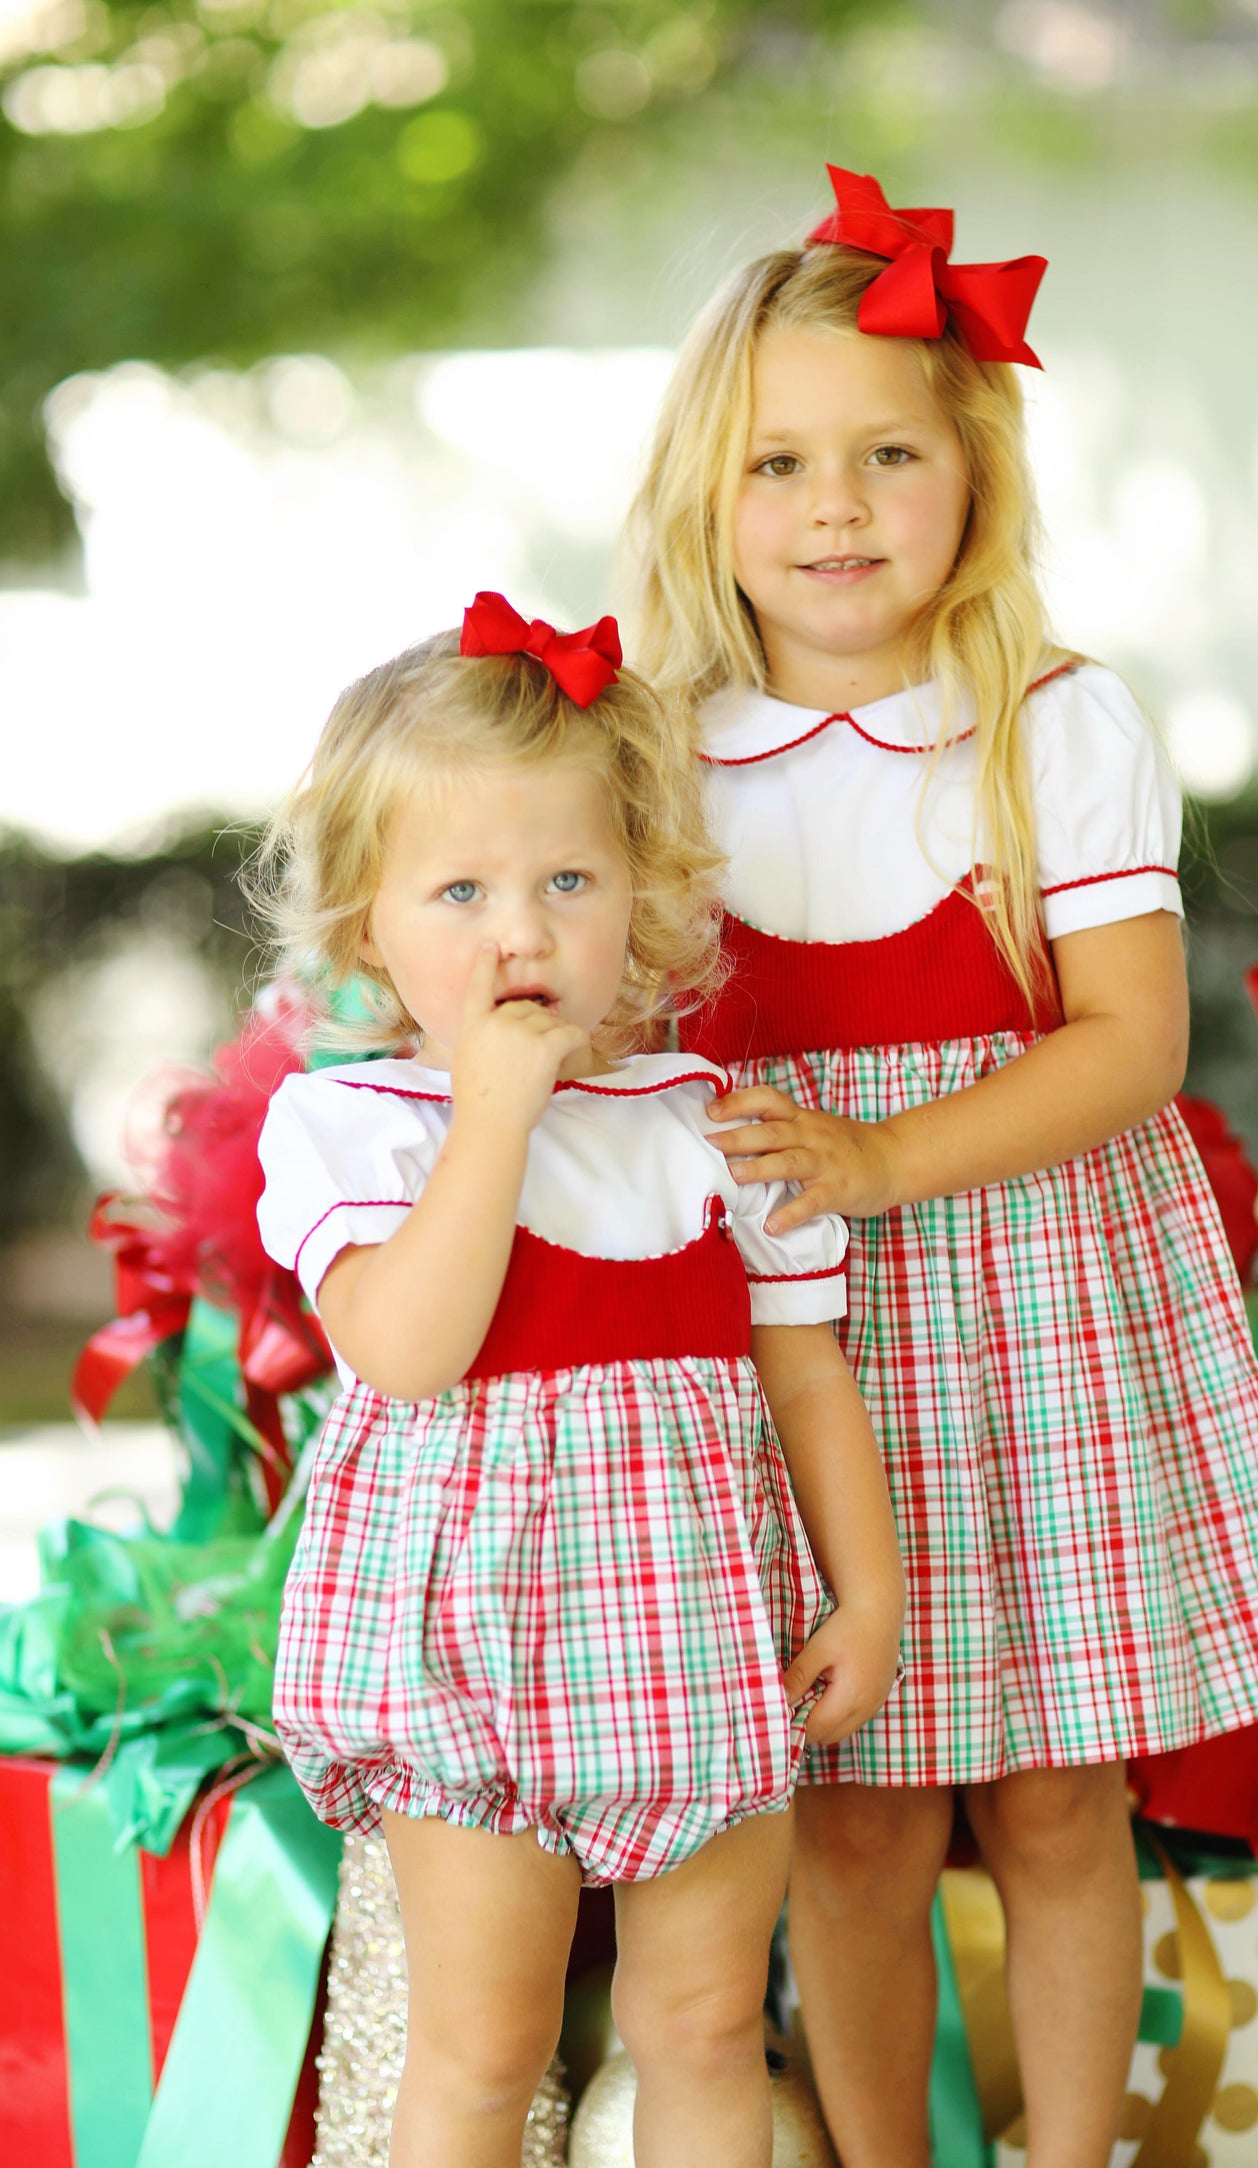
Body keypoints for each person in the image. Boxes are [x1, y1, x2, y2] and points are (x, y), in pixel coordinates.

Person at [625, 166, 1258, 2168]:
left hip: (1033, 1295)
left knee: (1050, 1790)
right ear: (710, 490)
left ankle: (1066, 2154)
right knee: (853, 1797)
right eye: (780, 462)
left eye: (887, 453)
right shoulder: (657, 751)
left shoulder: (1052, 725)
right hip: (796, 1331)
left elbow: (1130, 1041)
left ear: (974, 478)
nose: (837, 504)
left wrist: (886, 1152)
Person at [251, 590, 905, 2168]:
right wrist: (490, 1115)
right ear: (367, 930)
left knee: (699, 2028)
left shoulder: (708, 1122)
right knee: (485, 2051)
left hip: (688, 1636)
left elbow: (802, 1374)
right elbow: (407, 1350)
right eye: (459, 890)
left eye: (566, 879)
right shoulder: (357, 1131)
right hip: (463, 1652)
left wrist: (866, 1592)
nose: (520, 932)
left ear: (642, 896)